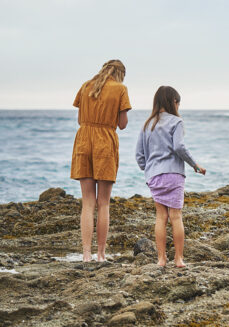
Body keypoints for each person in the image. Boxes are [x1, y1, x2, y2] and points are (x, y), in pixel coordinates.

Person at [135, 86, 206, 268]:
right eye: (178, 103)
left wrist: (149, 169)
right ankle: (179, 259)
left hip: (154, 176)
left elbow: (139, 155)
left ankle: (161, 259)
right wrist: (195, 165)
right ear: (174, 102)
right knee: (176, 216)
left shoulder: (147, 124)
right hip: (174, 174)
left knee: (161, 217)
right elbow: (179, 147)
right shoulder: (176, 122)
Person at [71, 59, 131, 263]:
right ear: (120, 73)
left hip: (84, 140)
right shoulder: (120, 89)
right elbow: (122, 124)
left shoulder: (86, 85)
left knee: (87, 202)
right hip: (105, 141)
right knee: (103, 203)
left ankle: (86, 254)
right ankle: (101, 254)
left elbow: (80, 120)